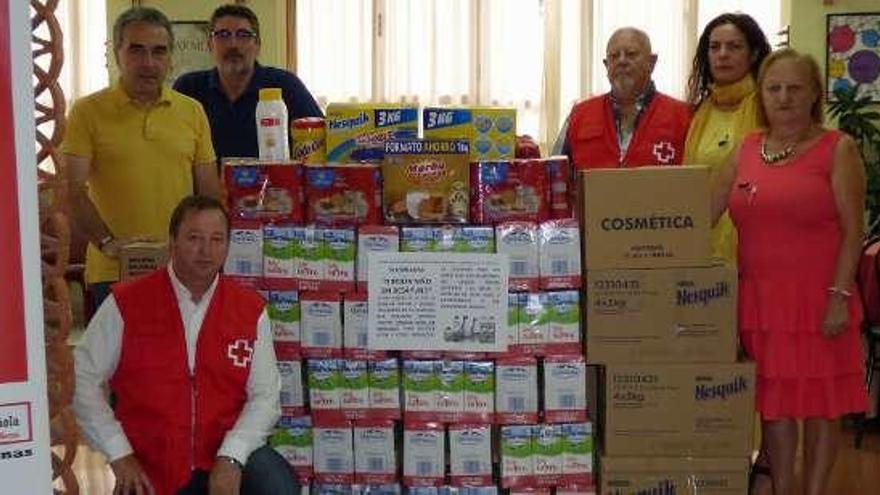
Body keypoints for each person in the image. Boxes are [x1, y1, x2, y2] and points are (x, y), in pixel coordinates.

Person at [712, 49, 867, 495]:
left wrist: (839, 296)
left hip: (822, 302)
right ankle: (783, 486)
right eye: (774, 88)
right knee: (775, 409)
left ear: (814, 93)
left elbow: (854, 230)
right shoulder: (745, 150)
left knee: (821, 407)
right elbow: (700, 211)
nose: (784, 97)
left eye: (795, 88)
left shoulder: (838, 149)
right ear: (761, 94)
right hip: (760, 305)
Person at [73, 195, 297, 495]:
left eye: (217, 239)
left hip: (223, 449)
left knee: (277, 484)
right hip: (150, 458)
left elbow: (266, 396)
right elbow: (81, 378)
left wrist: (232, 455)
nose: (206, 250)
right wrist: (119, 453)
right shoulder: (127, 303)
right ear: (172, 242)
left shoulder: (249, 310)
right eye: (194, 238)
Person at [62, 7, 221, 310]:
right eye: (136, 50)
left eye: (159, 51)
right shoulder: (87, 112)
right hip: (114, 272)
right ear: (116, 52)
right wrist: (108, 243)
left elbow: (209, 194)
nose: (148, 63)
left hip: (181, 271)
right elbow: (71, 190)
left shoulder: (192, 111)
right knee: (116, 359)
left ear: (171, 58)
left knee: (179, 358)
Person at [174, 4, 323, 161]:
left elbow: (319, 140)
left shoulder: (285, 85)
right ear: (210, 45)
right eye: (223, 34)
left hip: (273, 184)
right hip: (207, 185)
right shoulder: (188, 88)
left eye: (243, 35)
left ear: (257, 45)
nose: (233, 44)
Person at [685, 13, 771, 263]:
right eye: (715, 47)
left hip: (755, 245)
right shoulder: (700, 112)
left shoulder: (768, 107)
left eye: (734, 47)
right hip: (704, 242)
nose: (723, 54)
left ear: (753, 54)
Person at [552, 27, 691, 170]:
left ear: (652, 62)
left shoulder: (683, 116)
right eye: (614, 56)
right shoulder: (579, 115)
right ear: (606, 66)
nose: (622, 61)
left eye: (631, 54)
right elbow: (555, 174)